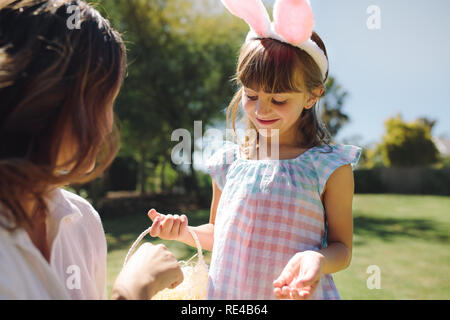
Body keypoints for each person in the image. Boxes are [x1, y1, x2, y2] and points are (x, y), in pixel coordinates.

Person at [147, 0, 362, 300]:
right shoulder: (229, 162)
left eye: (279, 100)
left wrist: (318, 259)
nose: (261, 110)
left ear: (312, 96)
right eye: (251, 95)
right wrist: (182, 232)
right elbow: (217, 232)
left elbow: (343, 249)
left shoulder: (327, 167)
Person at [0, 0, 183, 299]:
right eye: (105, 101)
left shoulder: (83, 220)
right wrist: (133, 290)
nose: (109, 125)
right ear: (51, 99)